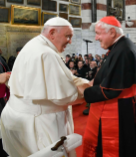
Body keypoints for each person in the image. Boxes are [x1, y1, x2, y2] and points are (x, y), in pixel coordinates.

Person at [0, 18, 89, 157]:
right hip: (39, 124)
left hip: (19, 118)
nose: (70, 41)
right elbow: (65, 97)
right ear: (52, 33)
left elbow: (63, 77)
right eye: (68, 36)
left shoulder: (35, 45)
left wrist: (84, 82)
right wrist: (89, 90)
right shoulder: (46, 53)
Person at [78, 16, 136, 156]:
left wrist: (85, 92)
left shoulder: (123, 51)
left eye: (98, 33)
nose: (96, 38)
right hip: (127, 104)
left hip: (121, 108)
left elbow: (111, 90)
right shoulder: (122, 46)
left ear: (112, 32)